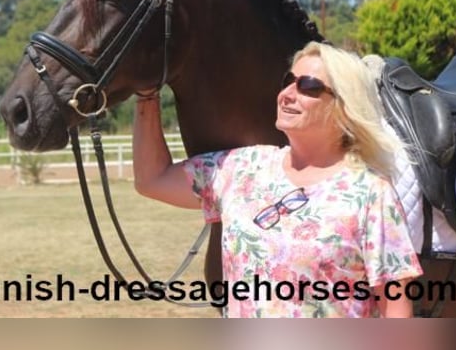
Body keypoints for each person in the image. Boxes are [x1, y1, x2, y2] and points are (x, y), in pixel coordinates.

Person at [133, 41, 422, 318]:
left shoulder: (371, 193)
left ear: (344, 107)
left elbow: (395, 309)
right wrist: (147, 94)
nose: (287, 93)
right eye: (288, 80)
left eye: (307, 86)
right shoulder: (242, 168)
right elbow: (152, 179)